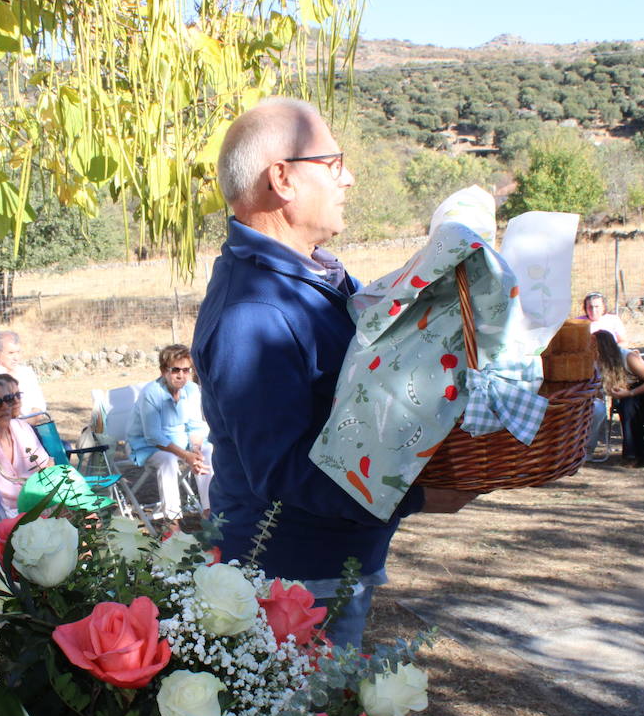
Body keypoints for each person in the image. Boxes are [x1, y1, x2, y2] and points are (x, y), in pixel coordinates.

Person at [190, 97, 472, 650]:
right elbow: (284, 472)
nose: (350, 178)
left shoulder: (308, 281)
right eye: (334, 162)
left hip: (326, 562)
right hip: (290, 583)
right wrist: (419, 495)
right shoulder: (254, 314)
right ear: (283, 180)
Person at [126, 344, 213, 523]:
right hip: (146, 445)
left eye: (186, 370)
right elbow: (153, 436)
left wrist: (195, 450)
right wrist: (185, 455)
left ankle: (209, 512)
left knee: (206, 451)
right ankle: (172, 523)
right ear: (163, 370)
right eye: (175, 370)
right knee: (168, 460)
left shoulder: (192, 390)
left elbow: (196, 426)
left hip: (181, 443)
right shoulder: (151, 393)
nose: (181, 375)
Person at [0, 375, 54, 519]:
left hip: (40, 507)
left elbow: (47, 467)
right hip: (2, 518)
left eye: (9, 399)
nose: (5, 407)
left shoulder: (22, 429)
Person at [593, 331, 644, 467]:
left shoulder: (627, 357)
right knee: (627, 406)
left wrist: (630, 393)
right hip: (628, 394)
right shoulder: (596, 362)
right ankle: (632, 455)